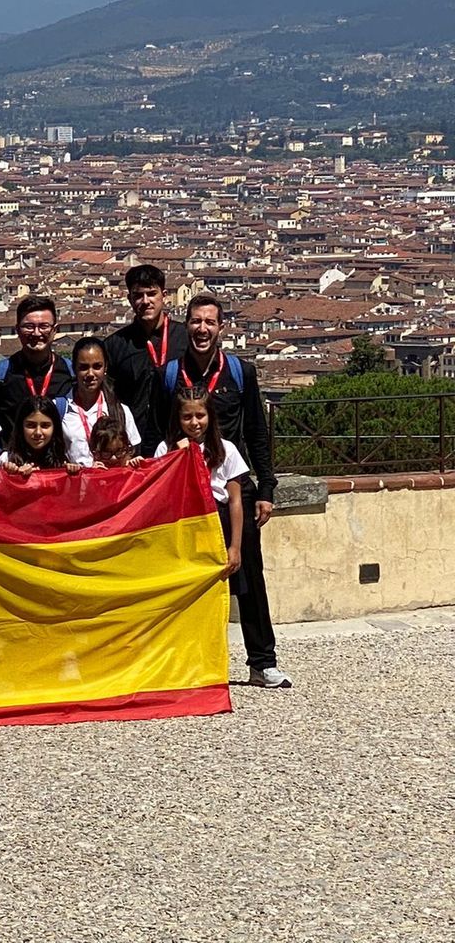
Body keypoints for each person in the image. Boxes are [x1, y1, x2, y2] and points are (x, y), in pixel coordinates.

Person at [164, 293, 289, 689]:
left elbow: (256, 431)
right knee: (185, 580)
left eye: (209, 322)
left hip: (232, 491)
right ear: (186, 326)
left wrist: (266, 487)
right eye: (196, 322)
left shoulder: (240, 372)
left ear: (221, 328)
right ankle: (187, 664)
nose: (202, 329)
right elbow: (155, 432)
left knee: (249, 575)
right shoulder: (167, 375)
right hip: (184, 497)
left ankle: (262, 661)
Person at [155, 386, 247, 579]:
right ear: (177, 418)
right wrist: (180, 456)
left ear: (210, 416)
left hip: (217, 522)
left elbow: (235, 501)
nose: (194, 423)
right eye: (187, 417)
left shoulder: (226, 449)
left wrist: (235, 546)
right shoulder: (165, 449)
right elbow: (162, 496)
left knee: (220, 583)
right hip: (183, 525)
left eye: (200, 415)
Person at [106, 264, 189, 454]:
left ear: (164, 295)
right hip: (133, 446)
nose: (145, 301)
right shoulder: (115, 345)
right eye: (138, 295)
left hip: (179, 441)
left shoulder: (185, 339)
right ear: (129, 299)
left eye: (151, 293)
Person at [0, 295, 75, 431]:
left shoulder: (71, 375)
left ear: (55, 331)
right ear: (17, 329)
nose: (36, 333)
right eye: (29, 327)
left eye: (44, 326)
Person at [65, 337, 141, 467]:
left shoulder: (121, 411)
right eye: (83, 367)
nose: (90, 373)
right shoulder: (61, 410)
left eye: (97, 366)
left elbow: (131, 454)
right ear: (74, 368)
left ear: (105, 367)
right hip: (77, 486)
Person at [0, 397, 74, 475]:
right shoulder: (7, 460)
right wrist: (15, 477)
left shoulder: (63, 461)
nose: (38, 432)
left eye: (45, 425)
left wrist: (73, 475)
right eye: (31, 425)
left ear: (54, 428)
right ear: (21, 427)